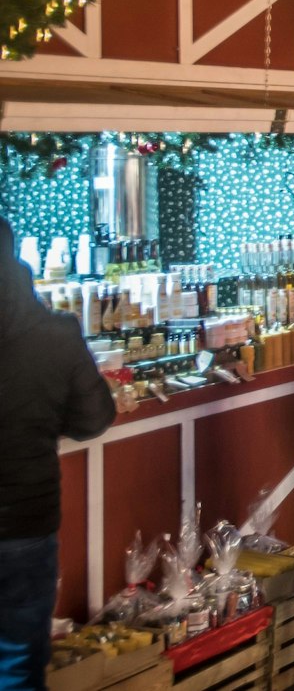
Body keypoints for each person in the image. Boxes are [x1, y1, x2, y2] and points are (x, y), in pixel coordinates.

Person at [0, 218, 116, 688]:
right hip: (25, 521)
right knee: (19, 662)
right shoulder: (55, 332)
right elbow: (93, 418)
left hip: (25, 519)